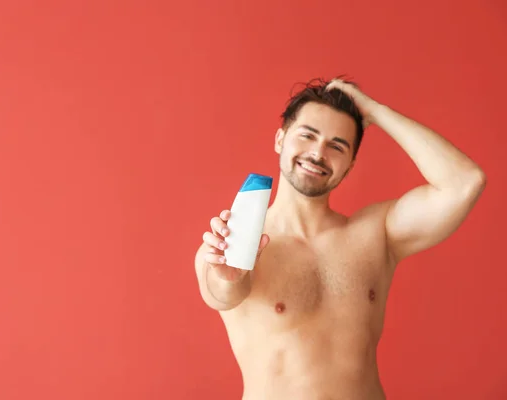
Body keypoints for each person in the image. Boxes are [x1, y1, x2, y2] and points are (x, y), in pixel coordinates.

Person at [193, 76, 486, 400]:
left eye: (337, 145)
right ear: (280, 139)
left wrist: (374, 111)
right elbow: (221, 293)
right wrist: (229, 276)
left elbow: (463, 183)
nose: (318, 153)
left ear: (350, 164)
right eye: (307, 135)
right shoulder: (236, 242)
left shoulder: (377, 234)